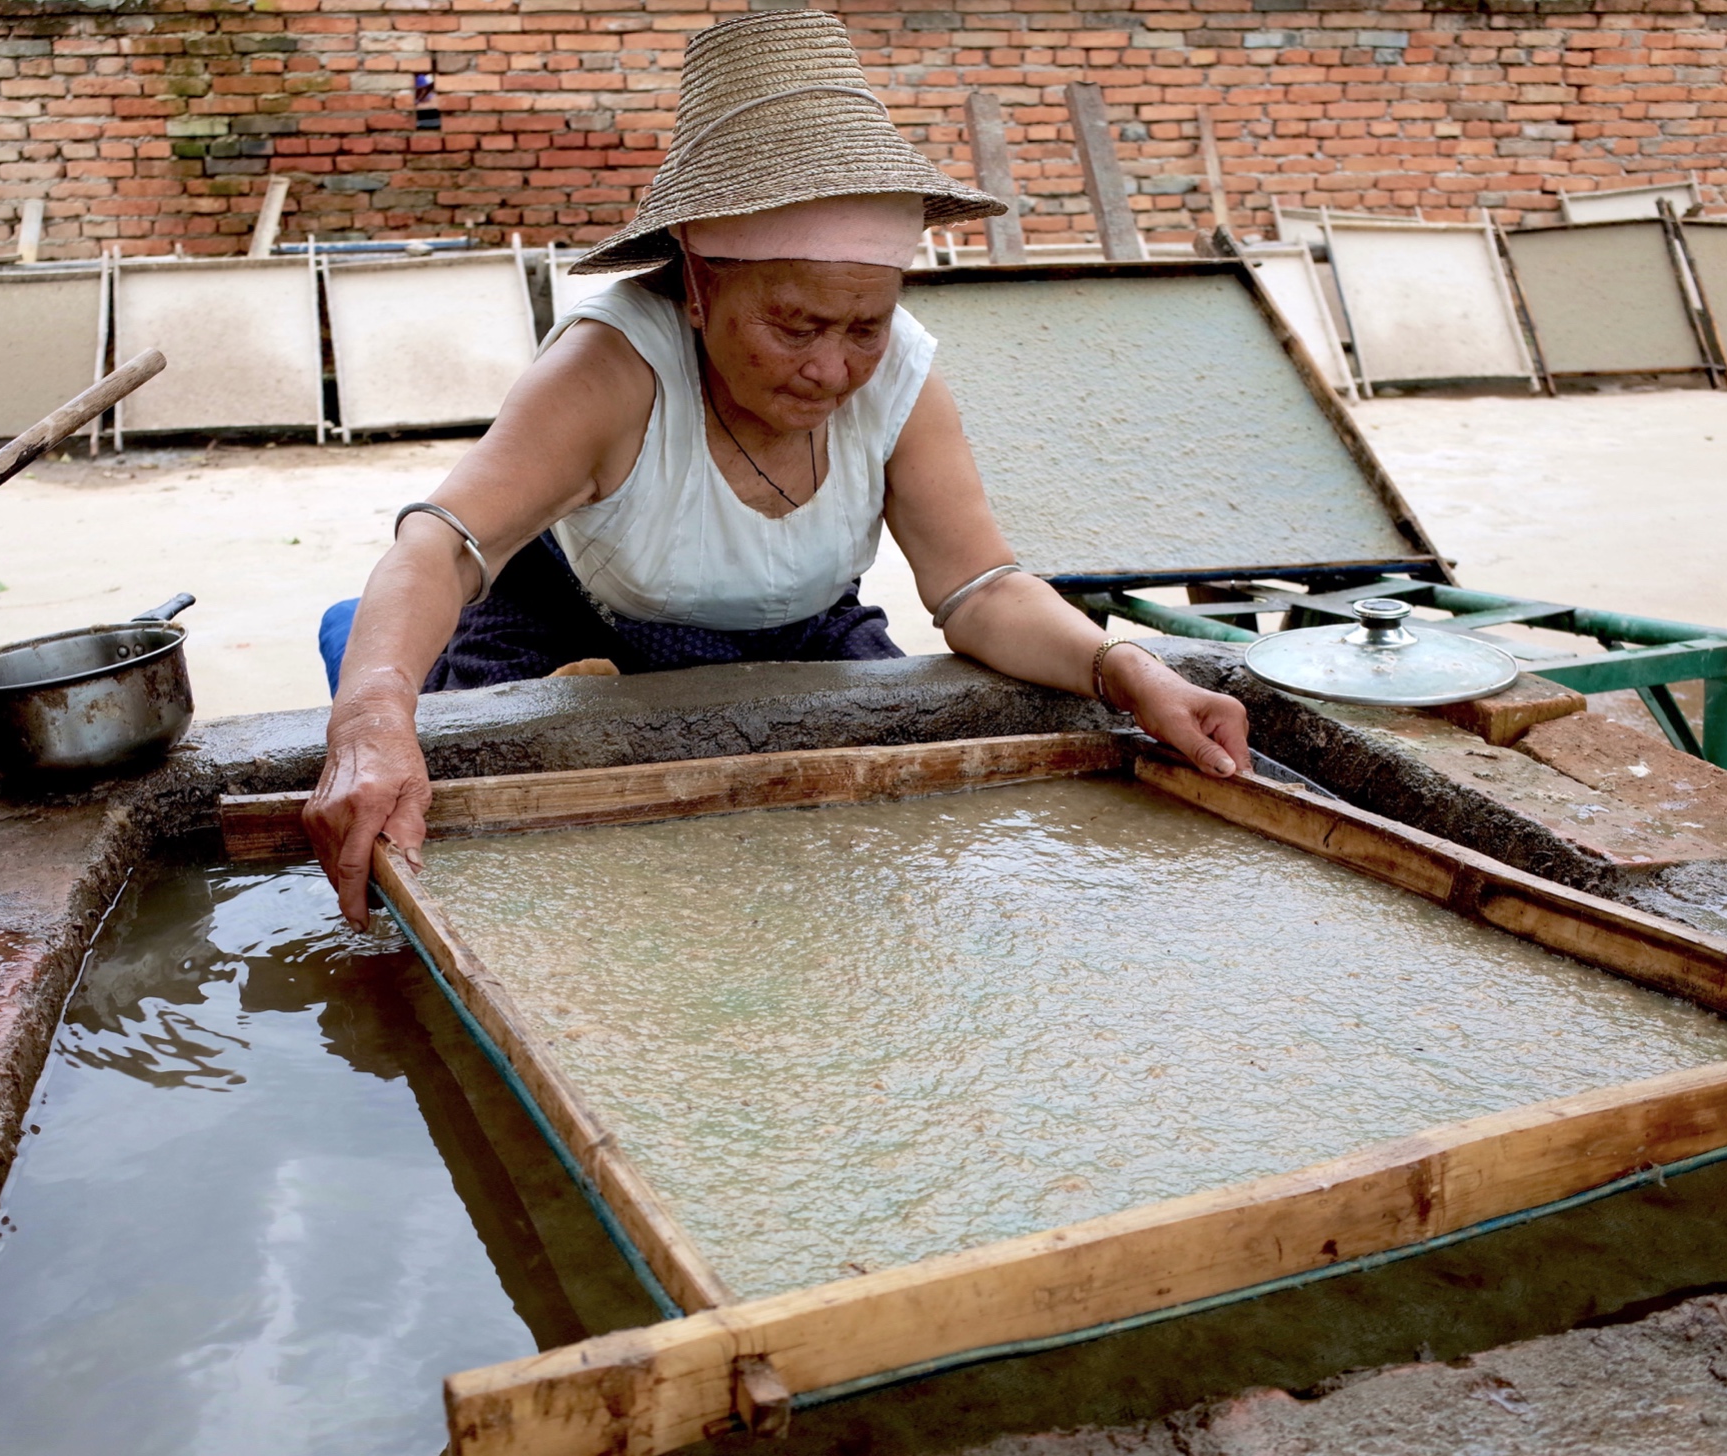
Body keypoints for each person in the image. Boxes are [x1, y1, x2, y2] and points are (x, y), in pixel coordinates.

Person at [308, 9, 1249, 927]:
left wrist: (1121, 667)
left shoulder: (903, 374)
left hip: (801, 637)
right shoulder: (609, 369)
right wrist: (372, 714)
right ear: (697, 280)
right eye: (794, 326)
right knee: (527, 838)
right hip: (582, 621)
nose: (833, 368)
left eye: (863, 327)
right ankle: (357, 640)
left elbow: (979, 591)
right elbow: (439, 546)